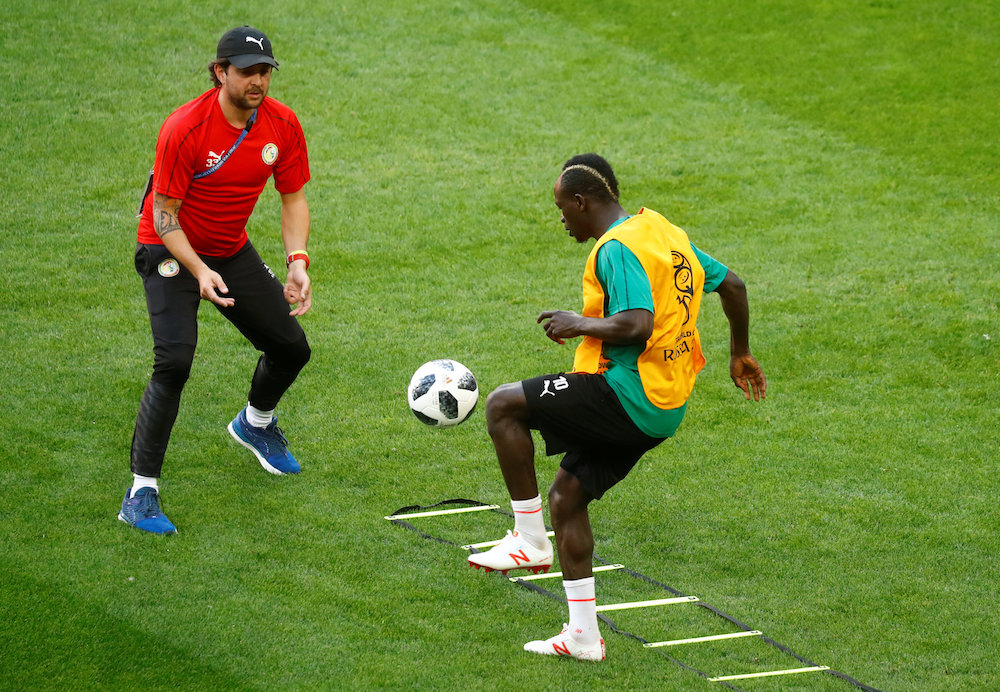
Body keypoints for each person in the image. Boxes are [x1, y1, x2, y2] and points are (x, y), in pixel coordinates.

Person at [468, 154, 766, 661]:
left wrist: (576, 323)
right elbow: (732, 284)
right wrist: (739, 351)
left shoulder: (616, 247)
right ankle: (583, 637)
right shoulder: (661, 231)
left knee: (502, 406)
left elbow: (636, 325)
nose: (561, 217)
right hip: (665, 409)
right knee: (566, 499)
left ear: (582, 202)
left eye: (562, 207)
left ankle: (528, 540)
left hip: (627, 396)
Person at [119, 26, 313, 535]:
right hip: (169, 246)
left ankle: (255, 424)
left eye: (265, 71)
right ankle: (141, 492)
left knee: (291, 347)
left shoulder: (282, 124)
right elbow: (164, 216)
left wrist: (297, 260)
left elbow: (292, 196)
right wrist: (199, 270)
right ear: (219, 71)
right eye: (247, 70)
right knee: (175, 360)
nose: (258, 80)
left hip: (228, 248)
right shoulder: (184, 128)